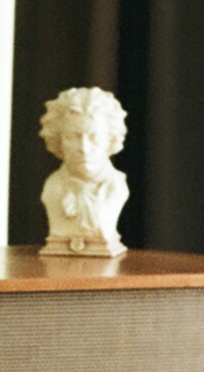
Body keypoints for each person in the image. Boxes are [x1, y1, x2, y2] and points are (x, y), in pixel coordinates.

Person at [38, 86, 129, 257]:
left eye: (95, 138)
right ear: (58, 140)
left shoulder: (116, 187)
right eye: (72, 137)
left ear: (110, 139)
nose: (84, 148)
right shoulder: (52, 187)